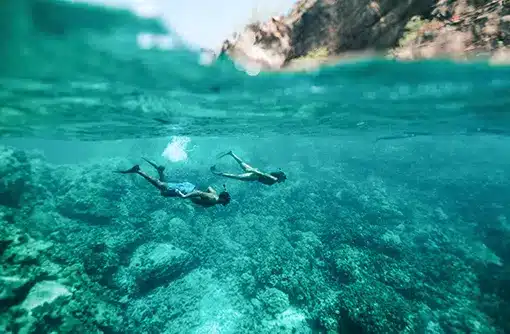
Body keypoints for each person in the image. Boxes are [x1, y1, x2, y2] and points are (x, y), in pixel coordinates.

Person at [116, 158, 231, 208]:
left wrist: (225, 189)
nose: (224, 204)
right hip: (187, 191)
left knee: (164, 192)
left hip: (189, 187)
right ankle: (138, 170)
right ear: (223, 200)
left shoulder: (216, 196)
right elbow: (199, 192)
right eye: (225, 202)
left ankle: (160, 171)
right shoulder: (214, 199)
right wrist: (185, 196)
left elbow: (210, 188)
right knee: (161, 186)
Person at [210, 151, 287, 186]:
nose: (282, 181)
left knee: (242, 164)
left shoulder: (275, 179)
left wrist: (254, 170)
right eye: (283, 179)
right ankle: (218, 173)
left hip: (256, 173)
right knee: (236, 177)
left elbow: (264, 175)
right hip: (255, 175)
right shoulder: (274, 179)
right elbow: (264, 175)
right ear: (279, 177)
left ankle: (231, 153)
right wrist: (252, 171)